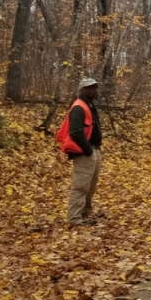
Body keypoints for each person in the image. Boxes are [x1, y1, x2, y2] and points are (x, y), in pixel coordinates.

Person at [56, 78, 103, 227]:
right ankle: (74, 219)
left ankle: (84, 215)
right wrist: (88, 150)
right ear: (82, 90)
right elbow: (75, 131)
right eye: (91, 88)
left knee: (90, 186)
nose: (95, 90)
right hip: (84, 153)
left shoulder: (89, 105)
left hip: (93, 151)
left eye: (95, 87)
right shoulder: (79, 107)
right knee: (81, 186)